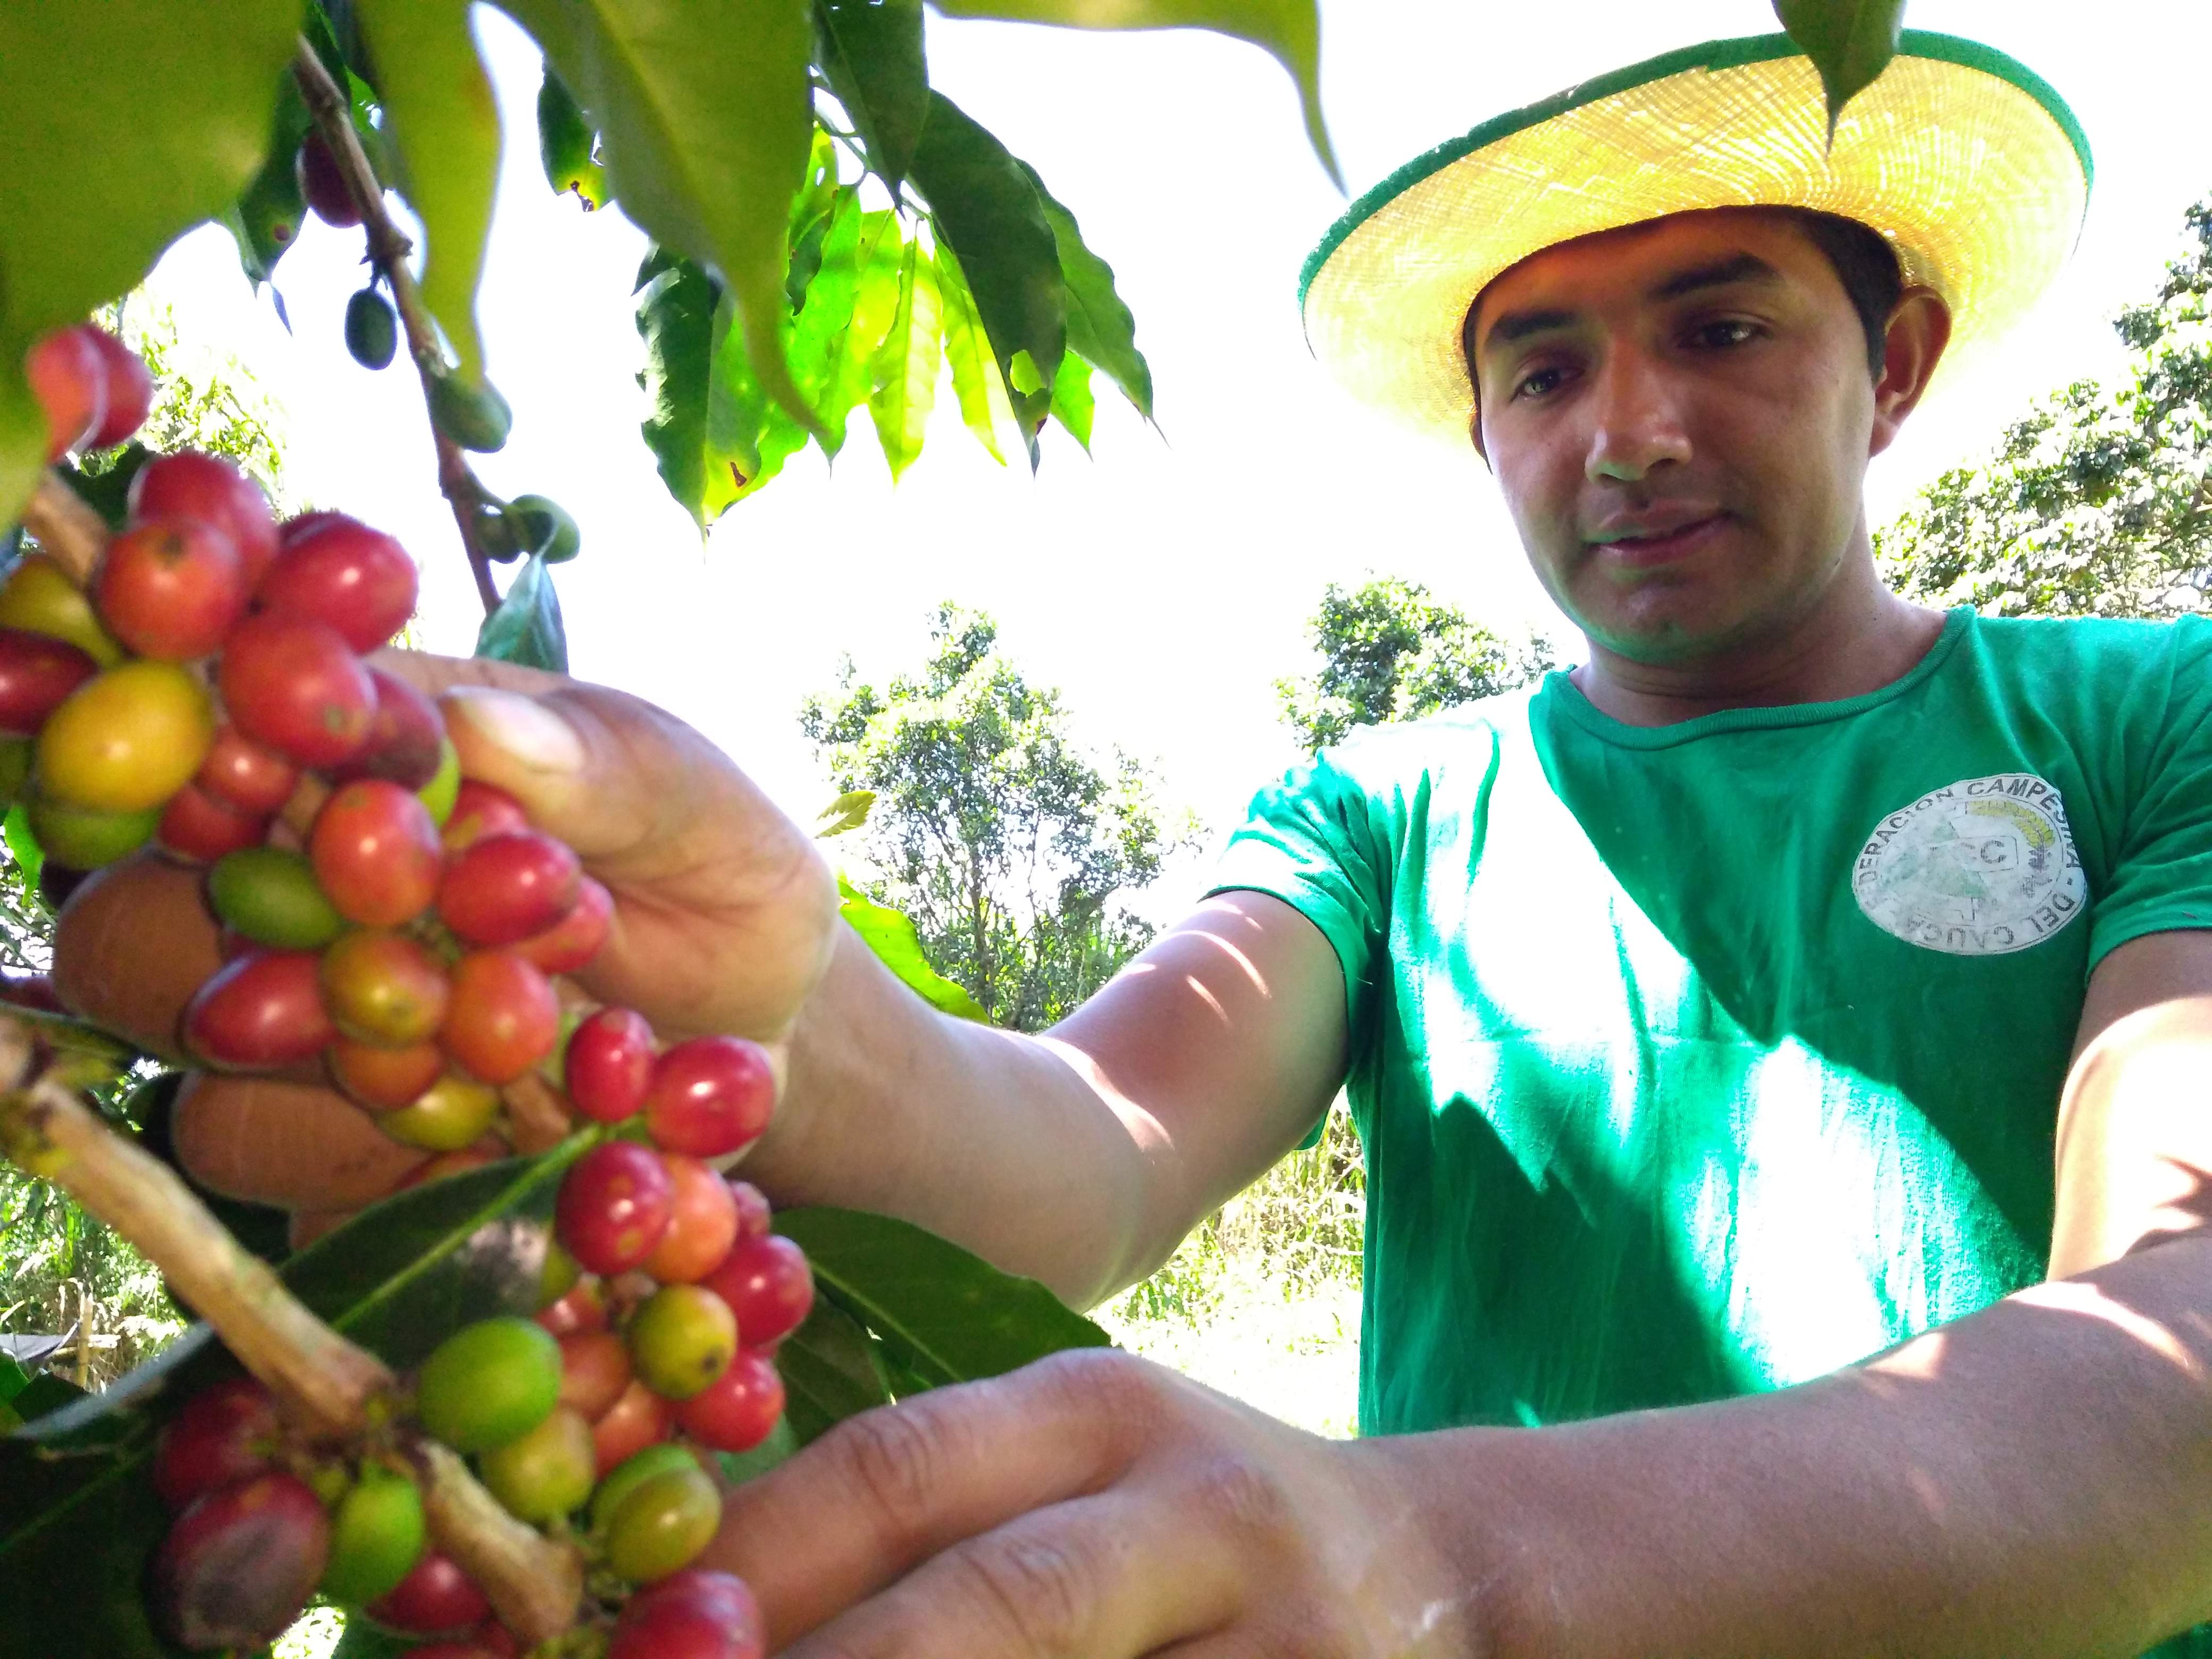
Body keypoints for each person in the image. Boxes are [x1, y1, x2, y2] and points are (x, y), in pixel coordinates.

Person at [60, 27, 2212, 1657]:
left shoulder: (2153, 719)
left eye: (1722, 326)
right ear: (1483, 435)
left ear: (1895, 363)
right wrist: (796, 1023)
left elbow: (2169, 1363)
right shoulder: (1385, 811)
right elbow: (1085, 1144)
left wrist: (1432, 1553)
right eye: (1541, 370)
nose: (1622, 426)